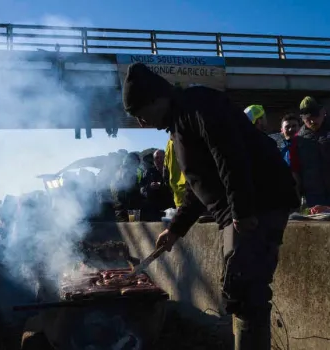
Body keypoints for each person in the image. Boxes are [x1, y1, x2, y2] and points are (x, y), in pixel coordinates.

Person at [122, 62, 298, 350]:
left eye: (141, 114)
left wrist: (241, 212)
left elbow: (230, 155)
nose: (141, 123)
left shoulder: (198, 105)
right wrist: (176, 230)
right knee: (239, 289)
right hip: (239, 208)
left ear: (157, 98)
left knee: (247, 289)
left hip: (259, 203)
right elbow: (198, 186)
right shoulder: (178, 124)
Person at [139, 149, 173, 221]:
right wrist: (150, 187)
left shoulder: (172, 171)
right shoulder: (148, 172)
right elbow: (142, 189)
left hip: (170, 208)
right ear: (154, 160)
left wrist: (162, 187)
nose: (160, 160)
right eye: (157, 158)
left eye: (162, 157)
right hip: (153, 209)